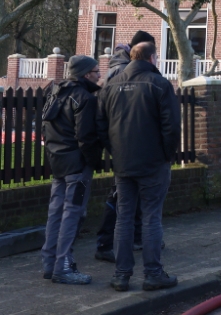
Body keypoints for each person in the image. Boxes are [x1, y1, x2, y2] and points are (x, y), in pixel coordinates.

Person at [96, 42, 180, 292]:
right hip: (153, 162)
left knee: (124, 218)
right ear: (153, 58)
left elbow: (100, 125)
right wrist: (165, 155)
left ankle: (122, 275)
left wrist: (115, 152)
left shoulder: (111, 85)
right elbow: (172, 126)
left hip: (123, 162)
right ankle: (153, 273)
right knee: (152, 216)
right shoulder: (160, 84)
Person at [40, 56, 103, 285]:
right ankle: (63, 266)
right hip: (78, 167)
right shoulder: (84, 98)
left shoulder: (54, 92)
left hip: (57, 162)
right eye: (96, 71)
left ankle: (49, 263)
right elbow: (85, 137)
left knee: (56, 212)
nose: (99, 75)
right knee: (73, 214)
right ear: (86, 74)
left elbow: (45, 127)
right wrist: (94, 161)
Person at [95, 30, 157, 262]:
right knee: (120, 196)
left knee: (131, 195)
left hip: (121, 143)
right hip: (126, 144)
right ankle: (105, 243)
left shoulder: (117, 69)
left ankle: (137, 238)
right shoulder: (123, 72)